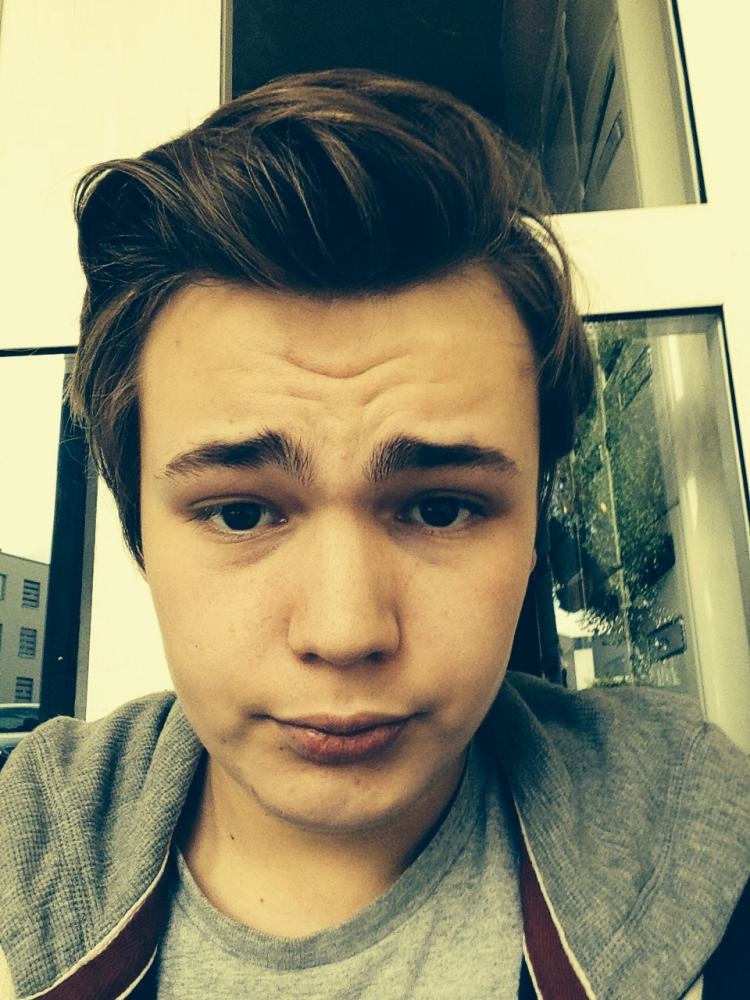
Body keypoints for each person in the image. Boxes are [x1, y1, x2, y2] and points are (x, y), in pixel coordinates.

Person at [1, 69, 748, 1000]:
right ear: (140, 538)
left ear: (534, 529)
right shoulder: (20, 866)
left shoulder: (709, 854)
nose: (346, 630)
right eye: (242, 512)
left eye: (440, 508)